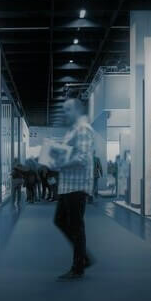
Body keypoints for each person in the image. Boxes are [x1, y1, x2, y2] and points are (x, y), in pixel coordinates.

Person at [53, 98, 95, 281]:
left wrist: (61, 165)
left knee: (76, 226)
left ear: (78, 110)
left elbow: (83, 158)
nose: (65, 113)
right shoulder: (73, 130)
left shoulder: (83, 129)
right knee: (61, 220)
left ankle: (79, 266)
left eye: (68, 109)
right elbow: (71, 153)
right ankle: (83, 257)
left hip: (76, 186)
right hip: (68, 186)